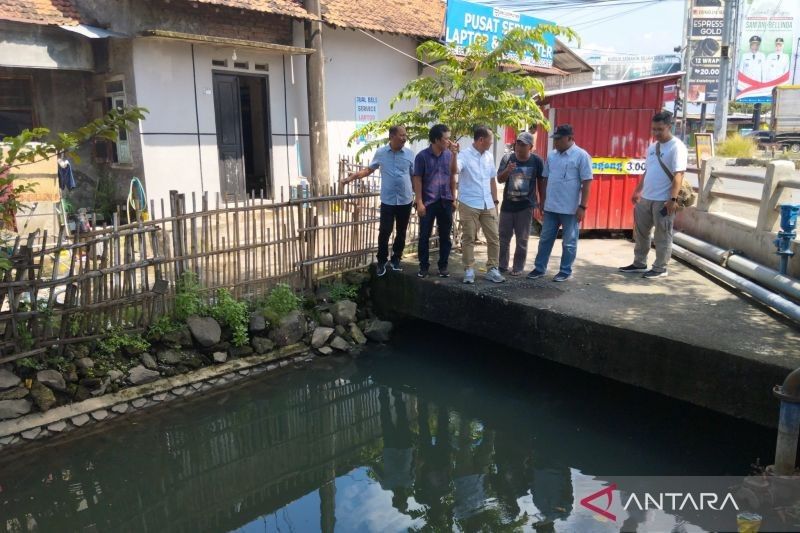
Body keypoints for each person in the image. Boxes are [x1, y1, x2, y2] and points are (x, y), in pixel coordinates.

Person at [619, 111, 688, 279]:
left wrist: (672, 199)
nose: (656, 133)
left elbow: (679, 175)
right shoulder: (653, 147)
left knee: (662, 234)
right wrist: (638, 190)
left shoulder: (677, 147)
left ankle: (660, 267)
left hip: (663, 200)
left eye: (660, 129)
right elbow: (648, 170)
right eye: (653, 129)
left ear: (669, 127)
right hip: (646, 198)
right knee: (641, 233)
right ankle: (639, 263)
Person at [340, 125, 414, 277]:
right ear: (392, 136)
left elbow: (415, 176)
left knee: (401, 232)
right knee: (385, 231)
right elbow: (368, 170)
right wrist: (351, 178)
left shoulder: (410, 154)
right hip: (388, 200)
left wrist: (420, 197)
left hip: (405, 199)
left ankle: (396, 259)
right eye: (401, 135)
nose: (404, 138)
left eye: (405, 135)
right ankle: (381, 261)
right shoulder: (381, 153)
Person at [527, 124, 593, 282]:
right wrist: (542, 200)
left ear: (570, 138)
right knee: (545, 239)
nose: (555, 142)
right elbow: (545, 178)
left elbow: (587, 182)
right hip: (551, 207)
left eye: (559, 139)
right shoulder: (552, 156)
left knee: (569, 242)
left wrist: (583, 206)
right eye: (554, 139)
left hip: (570, 209)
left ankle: (565, 270)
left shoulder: (581, 156)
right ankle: (539, 268)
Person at [456, 126, 505, 284]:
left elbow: (492, 179)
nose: (492, 142)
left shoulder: (489, 157)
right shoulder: (463, 155)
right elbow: (454, 169)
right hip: (469, 202)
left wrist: (495, 201)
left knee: (494, 237)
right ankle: (469, 269)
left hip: (487, 202)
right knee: (469, 237)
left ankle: (492, 269)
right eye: (490, 139)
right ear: (481, 140)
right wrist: (452, 154)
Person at [414, 124, 458, 278]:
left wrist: (453, 197)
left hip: (445, 199)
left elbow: (453, 174)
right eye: (446, 139)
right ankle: (424, 267)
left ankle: (443, 266)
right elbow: (417, 180)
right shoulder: (422, 156)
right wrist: (419, 202)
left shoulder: (448, 155)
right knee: (424, 235)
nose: (448, 141)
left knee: (446, 235)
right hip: (428, 201)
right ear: (436, 140)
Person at [497, 131, 544, 276]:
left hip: (525, 206)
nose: (519, 146)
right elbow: (499, 179)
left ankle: (518, 267)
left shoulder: (536, 161)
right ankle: (502, 266)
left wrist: (543, 202)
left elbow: (541, 183)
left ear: (530, 147)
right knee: (504, 238)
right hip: (507, 206)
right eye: (518, 143)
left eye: (523, 144)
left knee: (522, 239)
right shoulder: (508, 158)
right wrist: (508, 170)